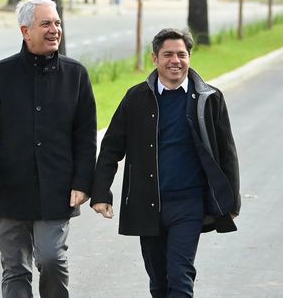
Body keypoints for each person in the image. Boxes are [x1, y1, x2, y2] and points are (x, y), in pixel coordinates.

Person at [91, 28, 240, 298]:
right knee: (159, 281)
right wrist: (101, 192)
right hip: (148, 204)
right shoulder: (136, 98)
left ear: (189, 57)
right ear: (155, 58)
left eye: (182, 54)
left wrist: (232, 202)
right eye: (168, 54)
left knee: (180, 276)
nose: (175, 61)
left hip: (189, 204)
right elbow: (111, 147)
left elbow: (227, 153)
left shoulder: (209, 98)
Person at [0, 0, 97, 298]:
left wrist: (82, 182)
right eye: (46, 24)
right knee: (15, 268)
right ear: (25, 31)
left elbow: (86, 135)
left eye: (57, 23)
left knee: (51, 258)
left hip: (57, 190)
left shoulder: (76, 75)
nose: (55, 30)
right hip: (10, 189)